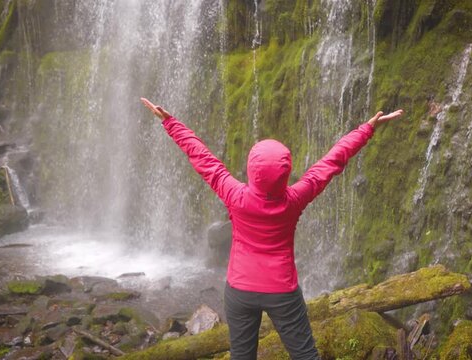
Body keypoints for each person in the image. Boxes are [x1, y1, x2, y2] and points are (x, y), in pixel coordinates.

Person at [141, 97, 403, 360]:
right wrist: (366, 129)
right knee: (305, 355)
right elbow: (330, 163)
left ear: (251, 170)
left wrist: (170, 122)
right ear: (286, 172)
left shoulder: (234, 195)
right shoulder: (296, 198)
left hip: (240, 289)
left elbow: (203, 159)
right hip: (282, 291)